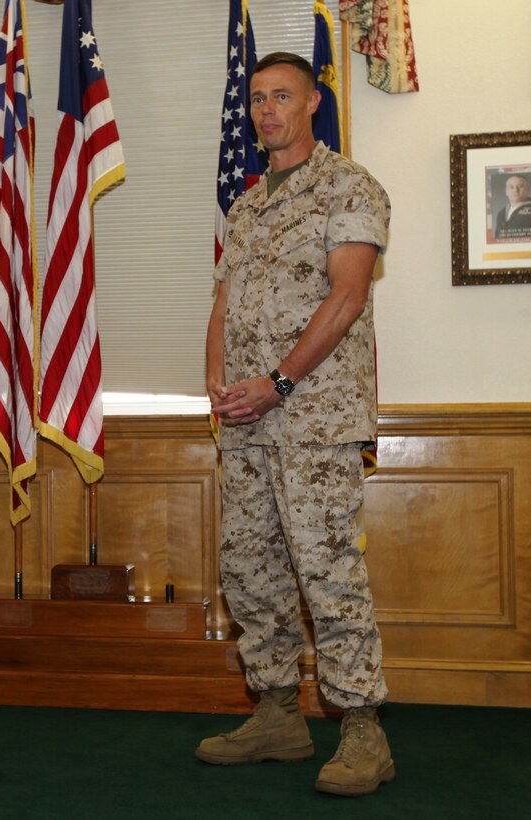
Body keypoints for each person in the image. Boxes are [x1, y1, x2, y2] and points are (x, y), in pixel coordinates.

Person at [196, 52, 394, 797]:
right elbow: (224, 304)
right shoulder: (248, 205)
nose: (266, 111)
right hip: (246, 421)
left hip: (311, 420)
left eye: (282, 97)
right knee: (250, 571)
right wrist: (216, 378)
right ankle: (278, 713)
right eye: (257, 100)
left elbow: (344, 299)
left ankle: (363, 728)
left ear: (314, 103)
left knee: (328, 571)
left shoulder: (348, 185)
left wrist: (277, 384)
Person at [493, 173, 531, 239]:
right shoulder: (501, 214)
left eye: (520, 186)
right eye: (511, 187)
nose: (515, 190)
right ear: (506, 191)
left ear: (527, 190)